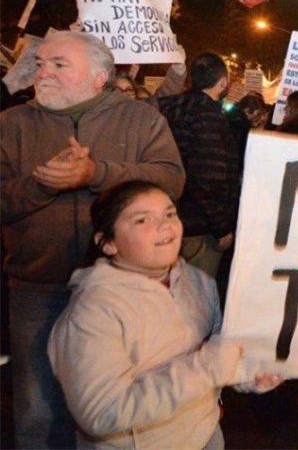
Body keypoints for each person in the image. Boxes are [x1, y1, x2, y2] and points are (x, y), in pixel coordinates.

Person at [0, 31, 185, 448]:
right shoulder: (11, 124)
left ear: (100, 77)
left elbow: (171, 180)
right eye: (41, 63)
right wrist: (42, 185)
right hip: (37, 291)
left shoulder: (141, 120)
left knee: (116, 415)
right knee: (37, 413)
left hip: (123, 293)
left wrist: (96, 174)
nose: (42, 72)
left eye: (59, 64)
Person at [47, 181, 283, 448]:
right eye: (142, 220)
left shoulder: (197, 281)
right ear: (107, 243)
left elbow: (216, 352)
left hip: (206, 436)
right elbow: (101, 412)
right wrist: (209, 367)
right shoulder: (91, 313)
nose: (165, 225)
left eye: (170, 214)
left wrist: (247, 375)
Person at [157, 53, 240, 280]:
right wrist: (221, 225)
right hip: (198, 225)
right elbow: (208, 174)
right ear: (222, 82)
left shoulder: (168, 107)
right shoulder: (207, 115)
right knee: (195, 298)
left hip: (166, 215)